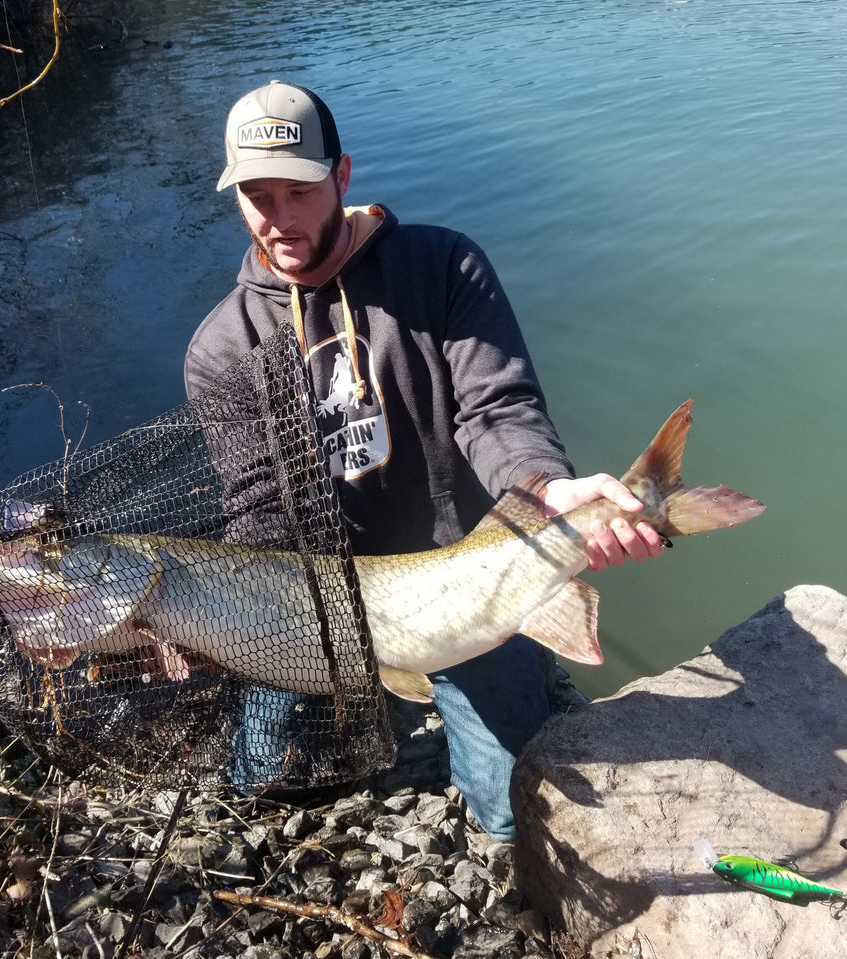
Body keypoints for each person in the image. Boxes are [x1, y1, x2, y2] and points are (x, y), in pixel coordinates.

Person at [184, 80, 665, 841]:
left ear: (341, 177)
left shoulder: (443, 267)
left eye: (298, 190)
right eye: (256, 194)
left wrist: (550, 490)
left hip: (465, 574)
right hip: (323, 608)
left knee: (513, 816)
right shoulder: (221, 350)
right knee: (264, 786)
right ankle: (376, 697)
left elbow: (498, 411)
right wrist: (212, 628)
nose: (277, 219)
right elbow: (258, 512)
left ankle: (517, 664)